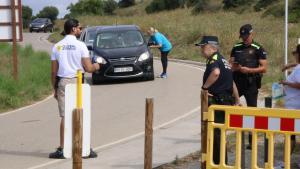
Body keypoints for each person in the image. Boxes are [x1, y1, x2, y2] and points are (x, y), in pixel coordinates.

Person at [49, 18, 100, 159]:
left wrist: (54, 89)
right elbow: (88, 68)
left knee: (65, 116)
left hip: (63, 82)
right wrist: (97, 65)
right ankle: (84, 147)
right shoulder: (81, 45)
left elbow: (53, 72)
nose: (81, 30)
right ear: (73, 29)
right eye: (80, 28)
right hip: (78, 82)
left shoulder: (57, 46)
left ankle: (62, 149)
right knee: (80, 114)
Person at [195, 35, 241, 165]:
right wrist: (237, 100)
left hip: (217, 101)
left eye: (203, 47)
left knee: (216, 135)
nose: (201, 50)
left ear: (211, 47)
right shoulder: (224, 60)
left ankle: (218, 163)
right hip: (226, 100)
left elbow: (215, 73)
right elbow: (232, 83)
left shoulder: (213, 59)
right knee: (219, 133)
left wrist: (204, 88)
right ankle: (219, 162)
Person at [229, 24, 267, 150]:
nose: (244, 38)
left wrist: (249, 70)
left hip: (251, 83)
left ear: (251, 34)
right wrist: (235, 67)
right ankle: (227, 133)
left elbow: (264, 68)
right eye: (242, 36)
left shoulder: (258, 48)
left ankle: (252, 141)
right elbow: (231, 63)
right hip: (237, 82)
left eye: (246, 36)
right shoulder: (236, 47)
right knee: (228, 104)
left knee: (252, 111)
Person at [280, 44, 300, 154]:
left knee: (289, 135)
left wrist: (286, 82)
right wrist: (290, 65)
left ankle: (285, 163)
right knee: (290, 135)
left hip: (294, 107)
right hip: (293, 106)